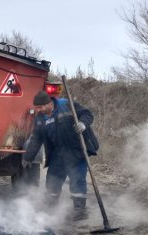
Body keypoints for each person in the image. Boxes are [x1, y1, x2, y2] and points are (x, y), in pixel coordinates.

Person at [22, 90, 99, 220]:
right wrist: (28, 157)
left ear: (48, 103)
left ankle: (80, 211)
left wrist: (82, 124)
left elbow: (87, 114)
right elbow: (36, 138)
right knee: (52, 180)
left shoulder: (67, 105)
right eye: (37, 108)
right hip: (57, 153)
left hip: (77, 150)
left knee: (77, 180)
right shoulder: (40, 117)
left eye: (40, 107)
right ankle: (50, 208)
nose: (38, 110)